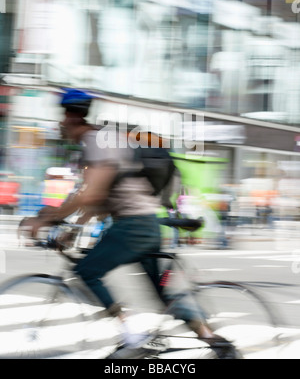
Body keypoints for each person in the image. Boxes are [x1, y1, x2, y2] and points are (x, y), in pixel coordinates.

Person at [25, 89, 234, 357]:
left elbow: (93, 195)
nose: (60, 124)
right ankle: (215, 341)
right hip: (144, 226)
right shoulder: (100, 143)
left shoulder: (95, 141)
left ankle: (132, 337)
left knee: (88, 271)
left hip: (134, 227)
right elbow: (99, 202)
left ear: (73, 116)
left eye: (63, 118)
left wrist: (47, 218)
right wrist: (69, 230)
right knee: (163, 296)